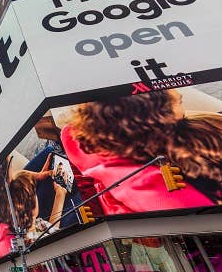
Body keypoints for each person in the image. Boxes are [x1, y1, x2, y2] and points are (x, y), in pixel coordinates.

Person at [61, 91, 219, 215]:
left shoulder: (75, 137)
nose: (178, 94)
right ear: (155, 118)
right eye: (177, 103)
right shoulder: (156, 189)